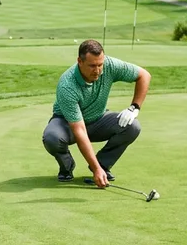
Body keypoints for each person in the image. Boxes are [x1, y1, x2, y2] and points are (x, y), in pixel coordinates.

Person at [42, 39, 151, 187]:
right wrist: (95, 169)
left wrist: (134, 107)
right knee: (52, 138)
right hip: (66, 123)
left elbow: (144, 75)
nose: (98, 70)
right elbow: (79, 129)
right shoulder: (67, 84)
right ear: (79, 61)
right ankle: (67, 166)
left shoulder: (110, 65)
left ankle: (103, 165)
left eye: (100, 65)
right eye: (92, 66)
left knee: (133, 126)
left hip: (97, 119)